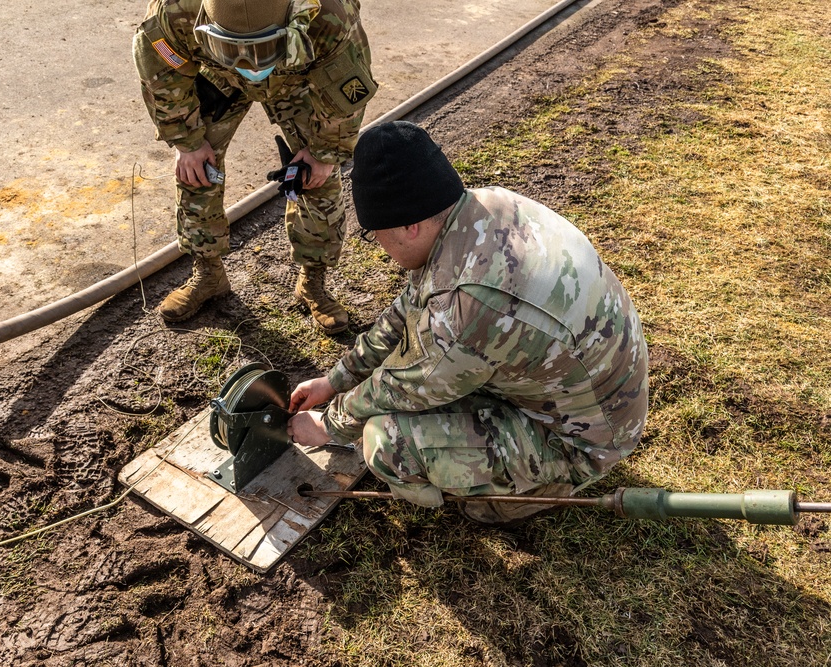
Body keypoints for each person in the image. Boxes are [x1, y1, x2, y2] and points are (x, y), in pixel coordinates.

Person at [287, 121, 649, 525]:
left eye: (377, 235)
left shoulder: (473, 304)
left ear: (410, 226)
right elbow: (407, 310)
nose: (381, 248)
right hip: (581, 390)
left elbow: (408, 383)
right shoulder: (477, 211)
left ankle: (535, 490)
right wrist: (335, 380)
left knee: (386, 441)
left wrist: (331, 425)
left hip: (583, 439)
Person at [133, 0, 377, 333]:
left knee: (318, 178)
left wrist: (324, 151)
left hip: (300, 75)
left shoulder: (328, 16)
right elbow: (160, 73)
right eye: (235, 49)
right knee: (196, 170)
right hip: (220, 76)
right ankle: (208, 275)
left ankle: (312, 281)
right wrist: (186, 141)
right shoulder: (177, 11)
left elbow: (346, 91)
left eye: (260, 50)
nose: (250, 64)